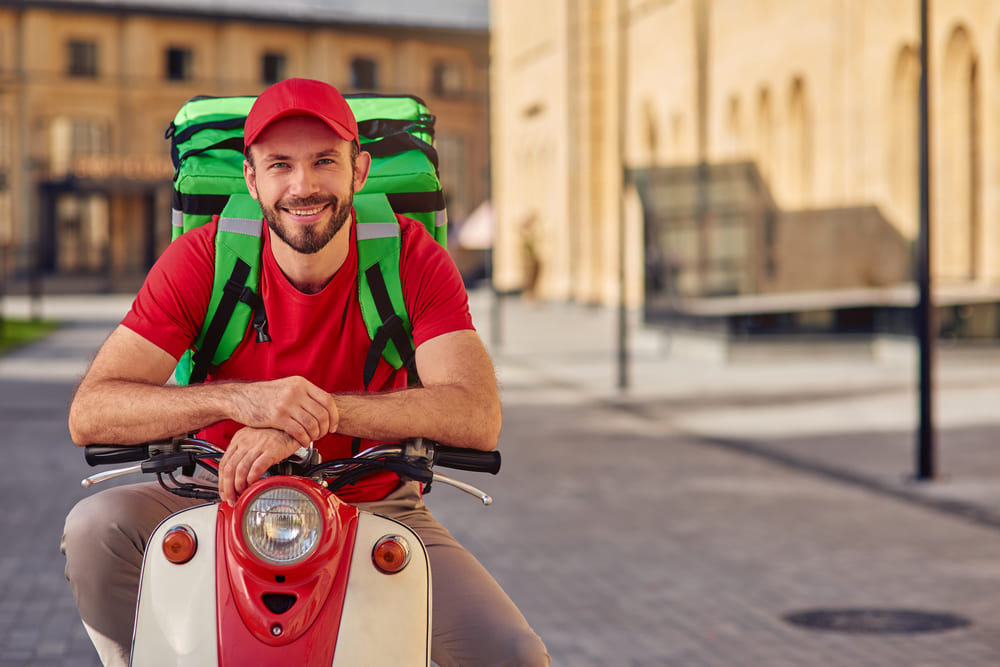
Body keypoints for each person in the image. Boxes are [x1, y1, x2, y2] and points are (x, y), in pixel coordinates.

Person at [61, 77, 549, 667]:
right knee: (95, 527)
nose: (302, 184)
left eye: (324, 161)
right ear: (251, 178)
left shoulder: (412, 257)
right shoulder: (204, 259)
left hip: (370, 499)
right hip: (213, 492)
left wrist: (310, 417)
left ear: (358, 170)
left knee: (512, 654)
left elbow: (476, 414)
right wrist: (245, 403)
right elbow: (92, 412)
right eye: (279, 165)